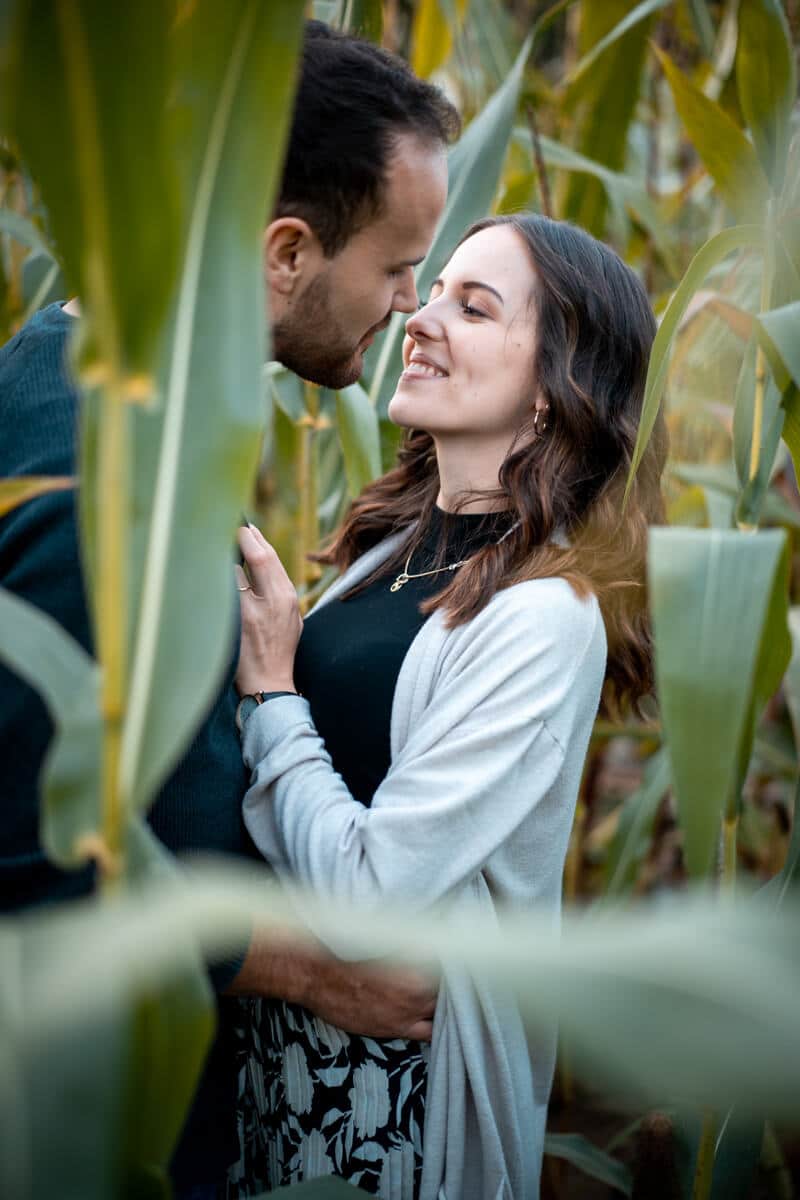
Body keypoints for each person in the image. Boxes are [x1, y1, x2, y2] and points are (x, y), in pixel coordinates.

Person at [0, 20, 458, 1198]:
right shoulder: (91, 470)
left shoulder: (131, 416)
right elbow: (37, 865)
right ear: (286, 252)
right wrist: (317, 974)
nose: (411, 306)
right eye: (399, 266)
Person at [233, 213, 668, 1199]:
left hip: (390, 1108)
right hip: (273, 1060)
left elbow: (368, 893)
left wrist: (267, 691)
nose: (419, 318)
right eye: (429, 292)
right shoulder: (388, 553)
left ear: (558, 394)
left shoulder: (542, 618)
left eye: (471, 307)